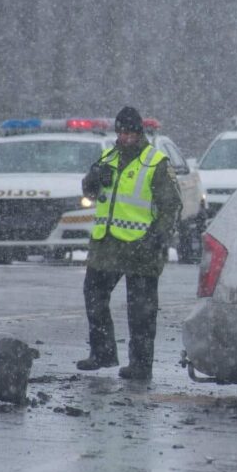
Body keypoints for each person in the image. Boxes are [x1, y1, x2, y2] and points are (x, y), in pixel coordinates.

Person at [76, 106, 182, 380]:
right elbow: (88, 190)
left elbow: (171, 205)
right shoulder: (107, 157)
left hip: (141, 246)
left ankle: (141, 365)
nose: (125, 138)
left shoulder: (155, 162)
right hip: (107, 244)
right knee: (94, 296)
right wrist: (94, 179)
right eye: (121, 132)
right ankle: (102, 352)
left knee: (141, 312)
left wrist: (158, 237)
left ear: (140, 132)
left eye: (130, 132)